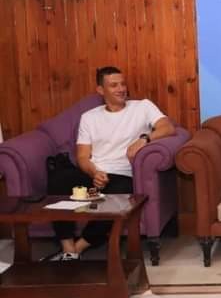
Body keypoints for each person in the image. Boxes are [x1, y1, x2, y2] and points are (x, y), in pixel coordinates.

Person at [47, 66, 176, 261]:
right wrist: (94, 173)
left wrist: (144, 139)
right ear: (101, 90)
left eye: (123, 84)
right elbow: (83, 156)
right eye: (114, 85)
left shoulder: (142, 107)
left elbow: (168, 128)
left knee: (120, 197)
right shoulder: (89, 117)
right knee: (58, 180)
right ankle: (67, 246)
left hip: (122, 175)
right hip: (94, 172)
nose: (121, 89)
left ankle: (77, 249)